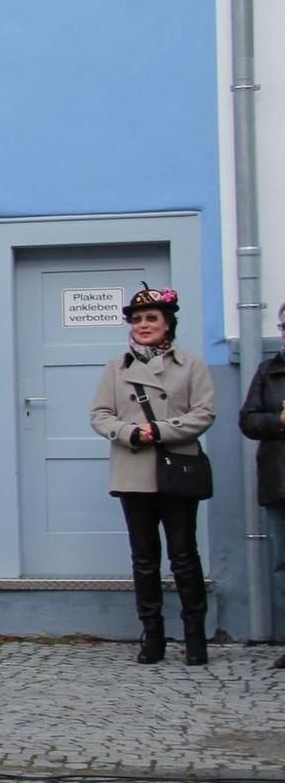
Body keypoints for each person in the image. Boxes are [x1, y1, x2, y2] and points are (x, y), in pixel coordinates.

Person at [89, 285, 217, 666]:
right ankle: (153, 636)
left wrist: (160, 430)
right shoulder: (116, 367)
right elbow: (100, 414)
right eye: (138, 319)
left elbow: (204, 413)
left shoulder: (191, 365)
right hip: (133, 471)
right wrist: (130, 432)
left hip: (176, 469)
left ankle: (195, 638)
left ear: (167, 325)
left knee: (183, 556)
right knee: (144, 558)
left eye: (152, 319)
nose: (143, 325)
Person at [237, 299, 285, 670]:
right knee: (283, 564)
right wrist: (280, 421)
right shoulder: (269, 371)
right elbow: (249, 421)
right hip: (280, 481)